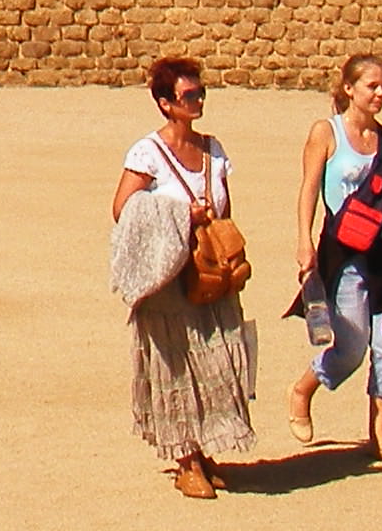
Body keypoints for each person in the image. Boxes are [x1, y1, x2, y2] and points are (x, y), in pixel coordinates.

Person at [110, 56, 253, 498]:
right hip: (167, 280)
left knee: (215, 360)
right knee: (175, 365)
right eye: (188, 95)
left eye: (200, 92)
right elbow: (122, 209)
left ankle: (203, 452)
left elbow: (226, 206)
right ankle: (185, 460)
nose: (198, 101)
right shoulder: (147, 153)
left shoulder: (214, 150)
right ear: (165, 103)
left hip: (207, 273)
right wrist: (178, 215)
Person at [287, 53, 382, 469]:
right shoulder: (326, 133)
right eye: (372, 86)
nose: (381, 92)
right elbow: (308, 189)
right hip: (344, 254)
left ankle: (380, 436)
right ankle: (303, 389)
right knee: (351, 347)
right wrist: (304, 242)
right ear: (349, 88)